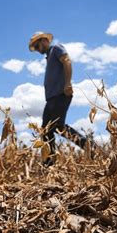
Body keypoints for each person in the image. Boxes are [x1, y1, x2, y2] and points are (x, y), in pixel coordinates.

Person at [28, 32, 90, 165]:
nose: (38, 50)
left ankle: (91, 148)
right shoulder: (48, 56)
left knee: (56, 127)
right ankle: (49, 162)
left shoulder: (56, 48)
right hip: (51, 98)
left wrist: (67, 83)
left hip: (60, 94)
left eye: (37, 46)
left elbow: (66, 60)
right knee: (46, 129)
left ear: (44, 40)